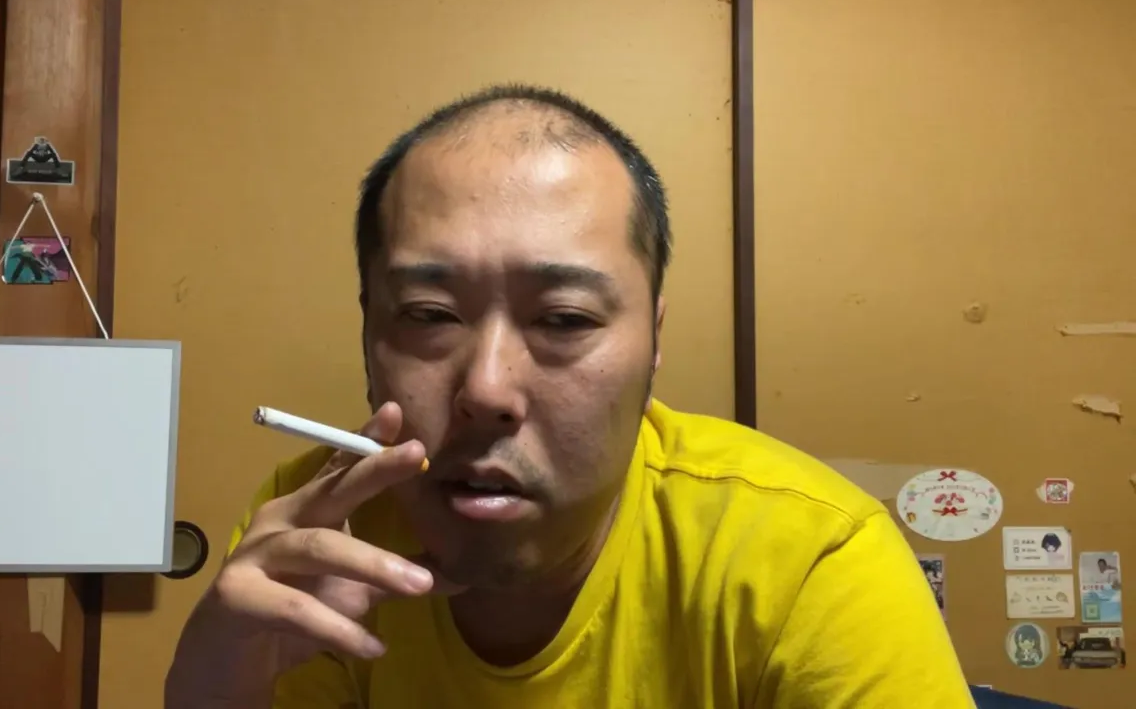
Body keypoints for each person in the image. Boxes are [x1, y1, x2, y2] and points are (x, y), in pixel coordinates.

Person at [165, 84, 974, 708]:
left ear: (654, 341)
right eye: (429, 315)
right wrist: (215, 684)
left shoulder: (807, 561)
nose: (486, 389)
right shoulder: (321, 532)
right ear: (368, 331)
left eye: (563, 319)